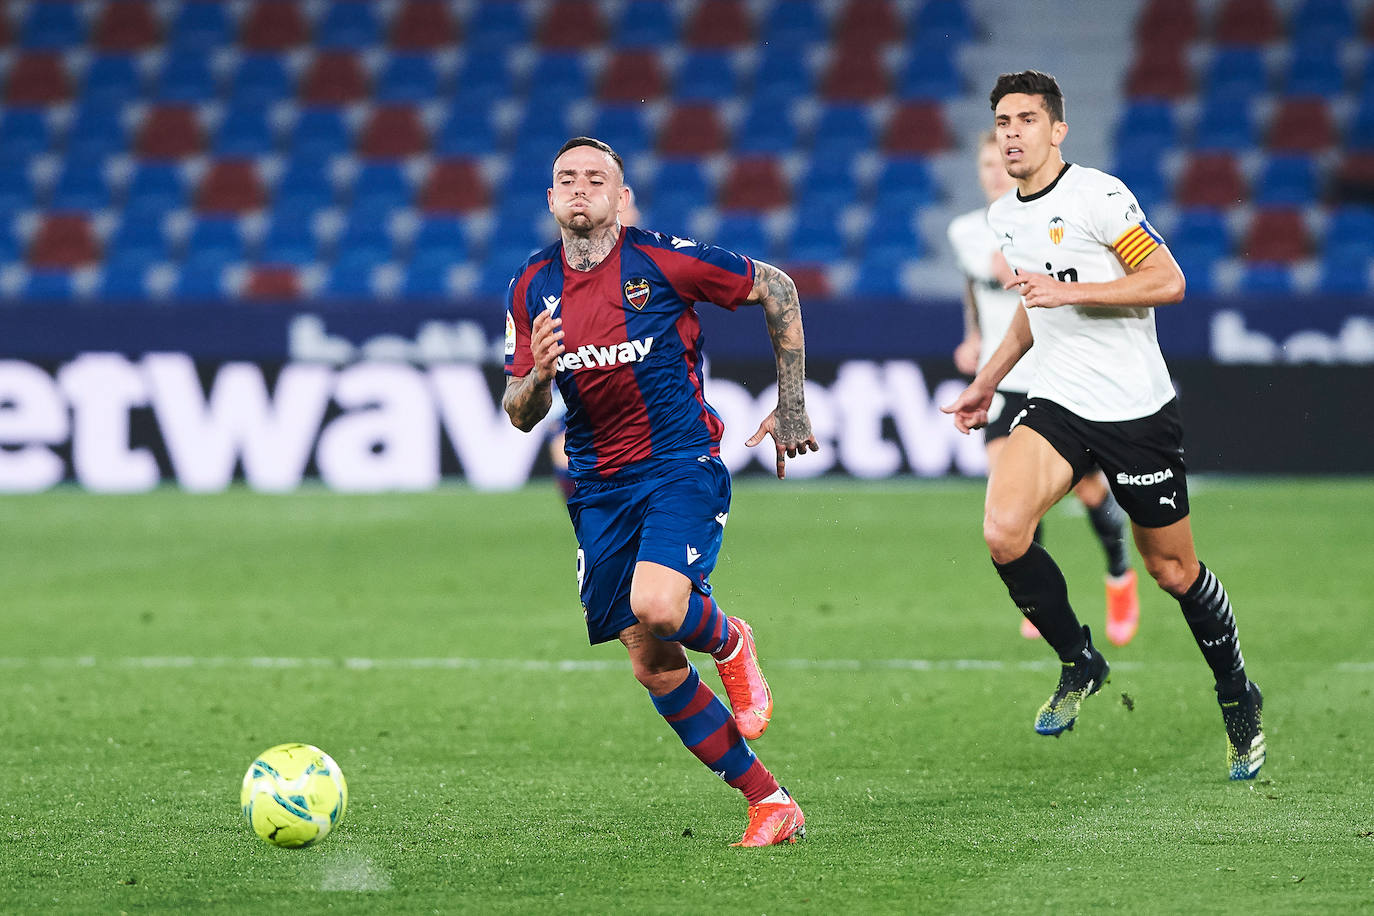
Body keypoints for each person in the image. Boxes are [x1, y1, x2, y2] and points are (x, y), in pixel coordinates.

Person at [941, 71, 1265, 780]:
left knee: (1171, 570)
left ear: (1057, 129)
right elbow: (1034, 307)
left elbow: (1169, 281)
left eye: (1027, 119)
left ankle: (1238, 691)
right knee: (1002, 529)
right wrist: (986, 383)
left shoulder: (1099, 195)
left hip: (1135, 411)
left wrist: (1074, 290)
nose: (1013, 132)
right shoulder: (1005, 217)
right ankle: (1079, 659)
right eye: (1003, 121)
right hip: (1058, 401)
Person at [503, 137, 820, 844]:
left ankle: (732, 640)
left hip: (680, 463)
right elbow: (519, 413)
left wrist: (791, 405)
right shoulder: (530, 287)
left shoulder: (662, 261)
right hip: (597, 489)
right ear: (551, 200)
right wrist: (540, 376)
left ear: (622, 198)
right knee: (651, 661)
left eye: (596, 179)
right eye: (566, 180)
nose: (580, 189)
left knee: (658, 604)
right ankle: (769, 800)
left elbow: (778, 287)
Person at [947, 130, 1140, 646]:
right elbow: (973, 285)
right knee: (1009, 492)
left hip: (1058, 376)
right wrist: (971, 336)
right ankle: (1040, 599)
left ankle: (1120, 574)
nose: (992, 172)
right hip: (1005, 378)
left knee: (1092, 490)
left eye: (998, 162)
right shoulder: (965, 231)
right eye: (984, 164)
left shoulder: (1037, 219)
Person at [547, 187, 643, 503]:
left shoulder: (650, 265)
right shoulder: (558, 272)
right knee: (563, 448)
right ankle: (593, 516)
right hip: (590, 385)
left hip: (640, 388)